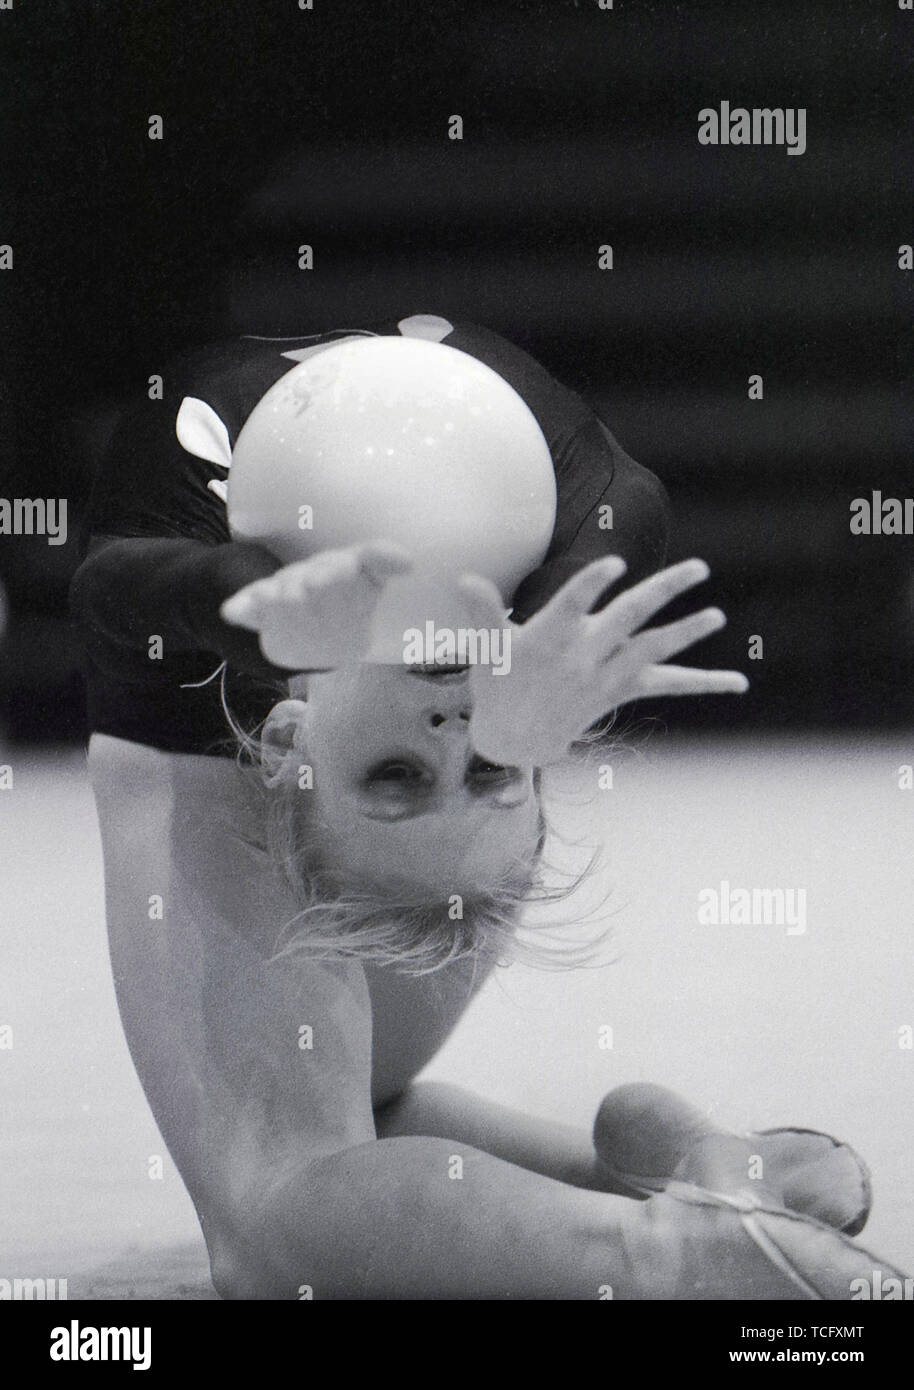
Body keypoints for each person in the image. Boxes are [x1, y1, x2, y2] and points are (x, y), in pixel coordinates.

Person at [71, 315, 901, 1298]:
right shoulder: (523, 549)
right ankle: (659, 1182)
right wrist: (528, 645)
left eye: (396, 776)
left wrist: (234, 607)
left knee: (276, 1218)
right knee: (363, 1113)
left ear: (286, 754)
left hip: (220, 720)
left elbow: (108, 585)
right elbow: (626, 496)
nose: (449, 733)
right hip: (435, 667)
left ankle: (667, 1256)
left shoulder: (202, 664)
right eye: (484, 772)